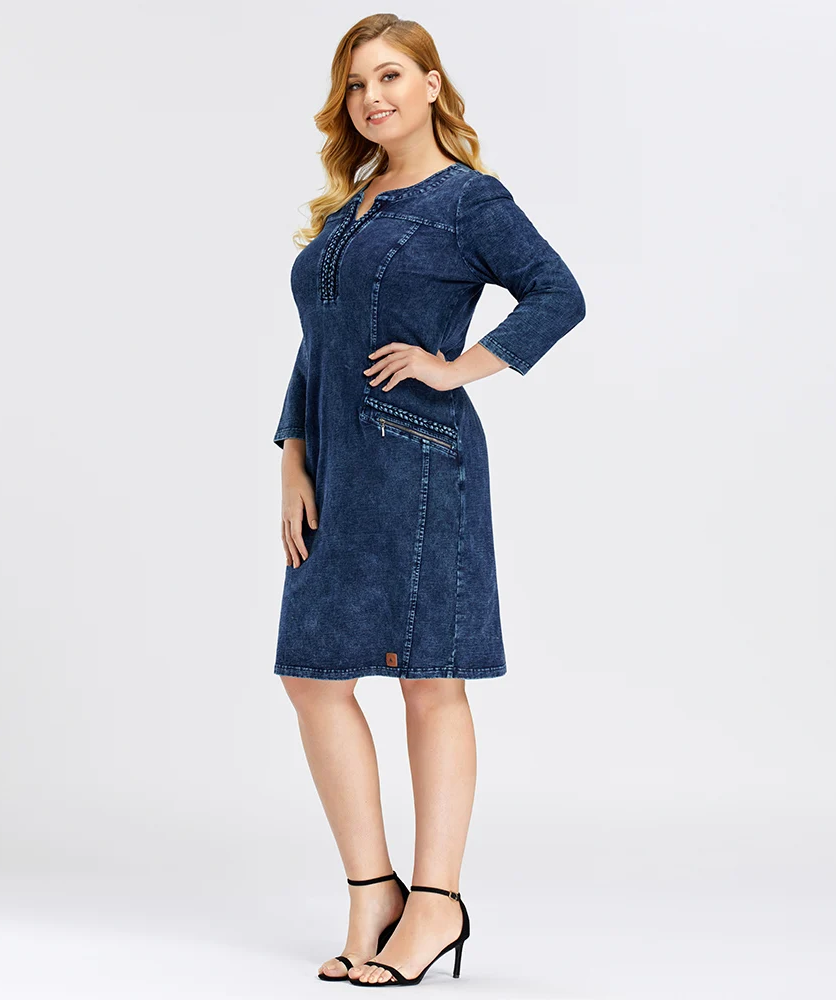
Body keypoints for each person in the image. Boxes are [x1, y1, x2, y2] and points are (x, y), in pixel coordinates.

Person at [272, 14, 586, 988]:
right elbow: (318, 344)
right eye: (356, 83)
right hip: (334, 469)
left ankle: (437, 900)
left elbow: (557, 293)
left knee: (428, 680)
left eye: (391, 76)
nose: (372, 97)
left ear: (432, 85)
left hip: (419, 466)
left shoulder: (467, 199)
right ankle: (374, 889)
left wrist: (456, 367)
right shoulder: (348, 207)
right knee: (313, 674)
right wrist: (291, 455)